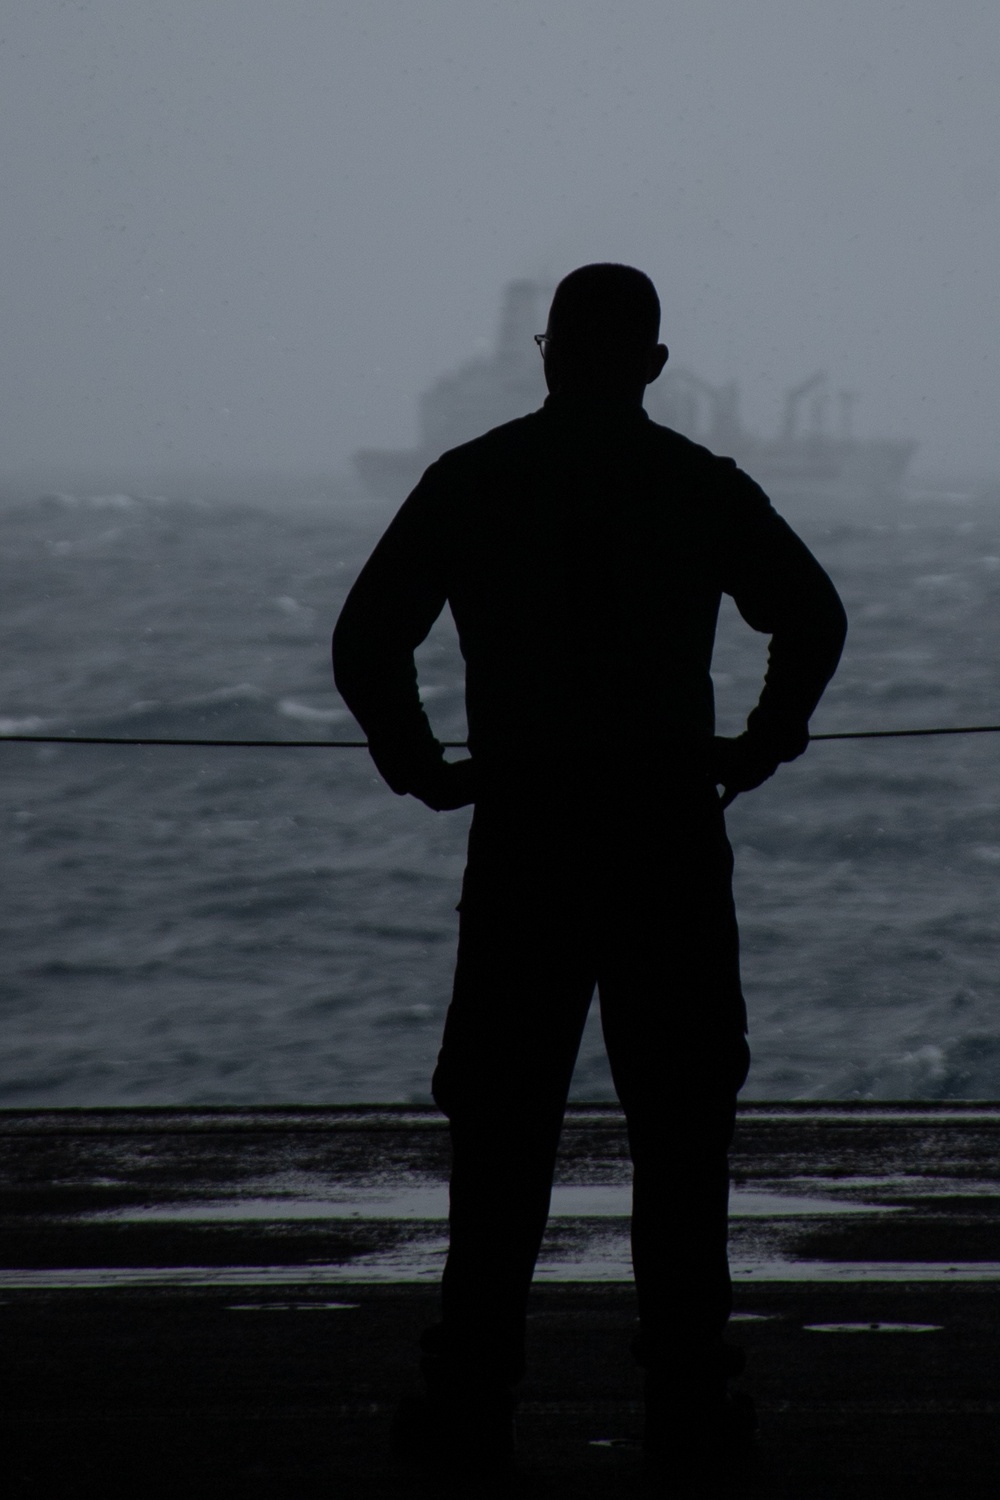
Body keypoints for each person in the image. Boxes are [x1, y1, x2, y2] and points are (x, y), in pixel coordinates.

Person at [332, 263, 847, 1467]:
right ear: (654, 366)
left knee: (503, 1126)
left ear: (545, 351)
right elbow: (811, 617)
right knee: (681, 1124)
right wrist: (762, 744)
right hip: (667, 835)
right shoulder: (694, 485)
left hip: (526, 837)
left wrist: (420, 764)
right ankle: (687, 1396)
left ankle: (470, 1396)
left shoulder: (473, 480)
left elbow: (367, 640)